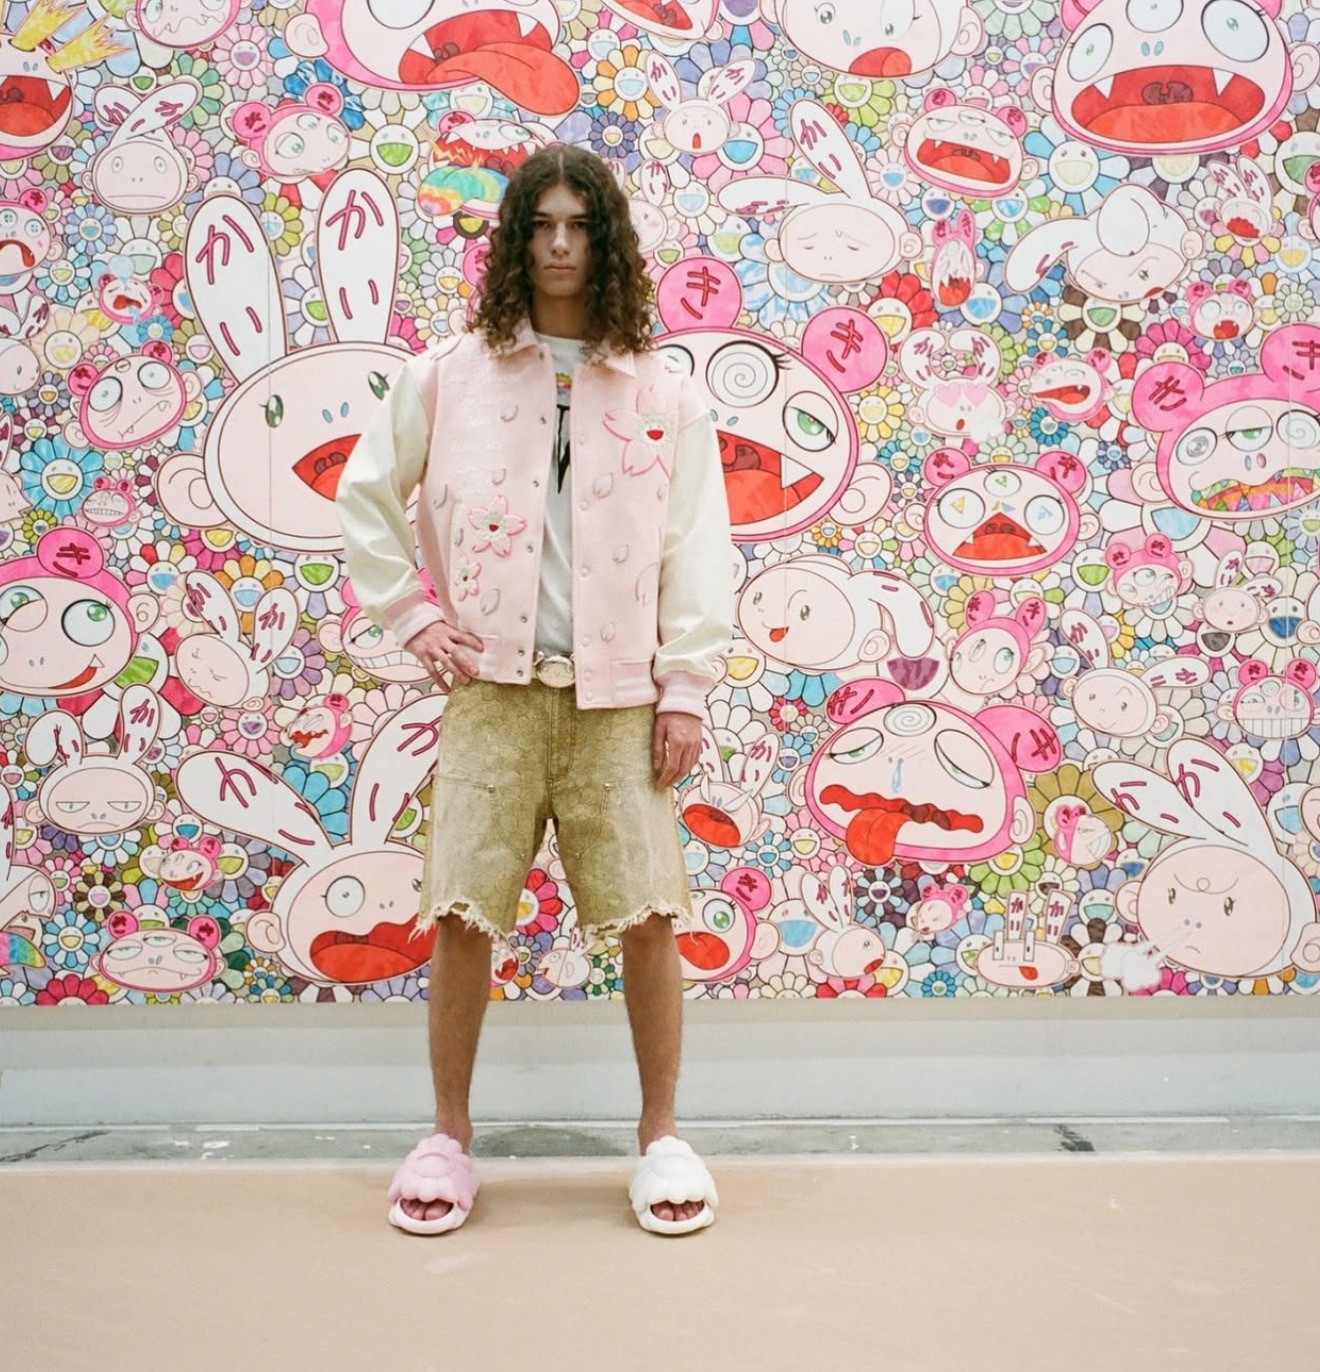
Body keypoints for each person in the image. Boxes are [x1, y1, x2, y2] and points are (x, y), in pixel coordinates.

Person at [336, 144, 734, 1238]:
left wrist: (686, 685)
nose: (561, 245)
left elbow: (698, 543)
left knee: (649, 915)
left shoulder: (663, 389)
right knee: (462, 912)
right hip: (492, 694)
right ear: (516, 238)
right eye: (543, 225)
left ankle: (662, 1137)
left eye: (581, 226)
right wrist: (413, 615)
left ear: (608, 244)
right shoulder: (447, 376)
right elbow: (365, 494)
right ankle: (446, 1138)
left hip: (621, 699)